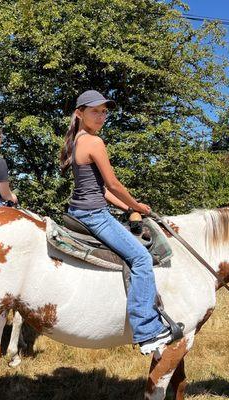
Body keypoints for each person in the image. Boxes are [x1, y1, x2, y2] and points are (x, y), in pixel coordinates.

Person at [60, 90, 173, 355]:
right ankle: (147, 331)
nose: (101, 116)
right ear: (80, 113)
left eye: (104, 111)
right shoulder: (94, 142)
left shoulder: (77, 140)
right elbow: (113, 183)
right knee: (142, 259)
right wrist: (136, 205)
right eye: (95, 111)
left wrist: (128, 207)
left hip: (79, 210)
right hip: (93, 215)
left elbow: (102, 190)